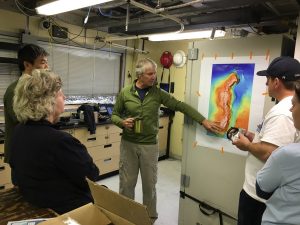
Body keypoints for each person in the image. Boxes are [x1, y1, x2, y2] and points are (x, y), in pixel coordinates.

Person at [111, 58, 221, 221]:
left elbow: (180, 105)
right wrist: (121, 122)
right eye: (150, 74)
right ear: (139, 75)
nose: (154, 76)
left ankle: (149, 218)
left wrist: (203, 120)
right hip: (129, 145)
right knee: (126, 185)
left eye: (155, 73)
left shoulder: (157, 93)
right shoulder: (125, 92)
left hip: (149, 146)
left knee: (150, 186)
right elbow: (114, 114)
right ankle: (126, 218)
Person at [9, 69, 100, 214]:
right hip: (67, 211)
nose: (64, 96)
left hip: (35, 201)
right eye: (60, 93)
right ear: (47, 100)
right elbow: (91, 176)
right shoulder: (60, 141)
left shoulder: (20, 130)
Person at [232, 56, 300, 225]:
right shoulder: (287, 108)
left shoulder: (282, 113)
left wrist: (247, 145)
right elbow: (273, 143)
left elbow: (270, 153)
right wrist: (255, 137)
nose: (266, 84)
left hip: (258, 198)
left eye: (267, 80)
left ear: (276, 82)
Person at [256, 80, 300, 225]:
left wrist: (247, 145)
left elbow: (262, 189)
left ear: (276, 82)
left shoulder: (289, 154)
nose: (290, 109)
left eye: (294, 105)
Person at [4, 44, 49, 167]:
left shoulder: (36, 88)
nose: (47, 67)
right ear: (27, 65)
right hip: (21, 151)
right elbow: (23, 122)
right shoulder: (15, 90)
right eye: (43, 62)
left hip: (33, 149)